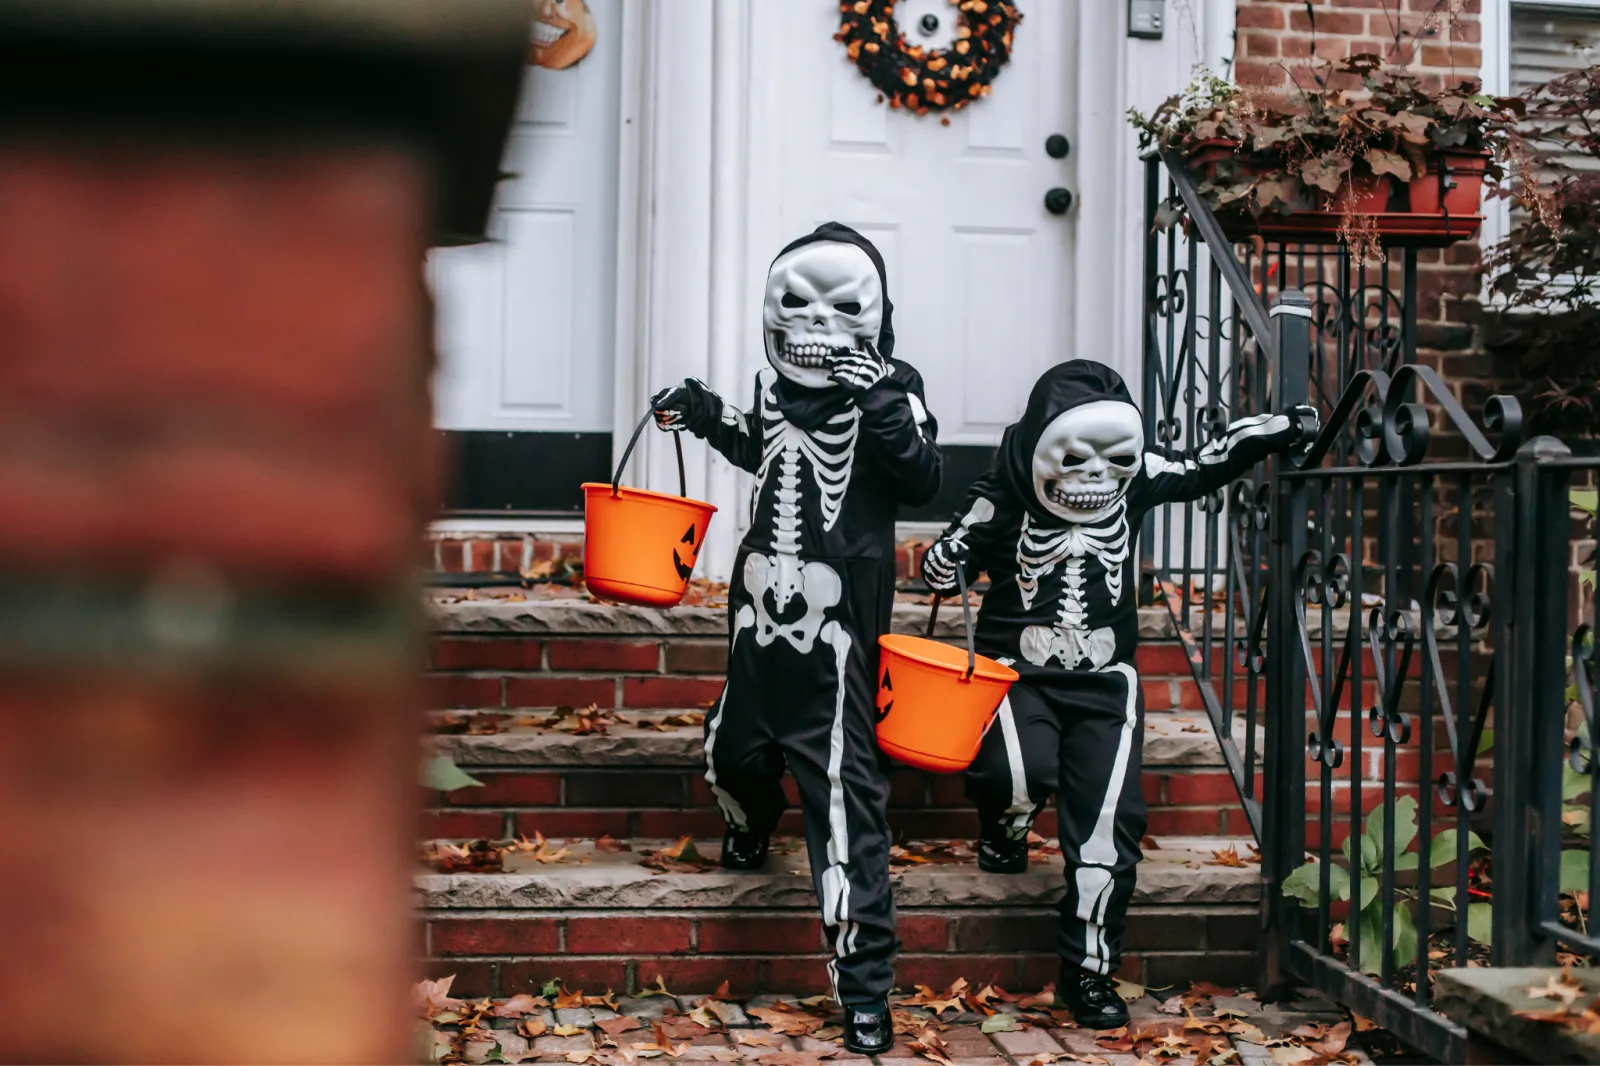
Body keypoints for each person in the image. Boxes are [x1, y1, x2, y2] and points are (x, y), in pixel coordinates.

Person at [919, 360, 1315, 1029]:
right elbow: (945, 556)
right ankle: (1006, 826)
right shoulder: (1006, 489)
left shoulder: (1137, 482)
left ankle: (1090, 971)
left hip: (1106, 680)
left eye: (1115, 462)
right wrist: (945, 558)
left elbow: (1206, 462)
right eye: (1074, 460)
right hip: (1017, 669)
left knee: (1109, 832)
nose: (1095, 477)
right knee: (1015, 774)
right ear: (1041, 445)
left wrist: (1279, 429)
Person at [651, 223, 941, 1054]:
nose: (815, 324)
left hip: (837, 633)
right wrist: (705, 414)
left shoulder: (897, 385)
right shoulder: (773, 388)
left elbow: (921, 476)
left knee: (845, 804)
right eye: (796, 303)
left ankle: (863, 989)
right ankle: (749, 820)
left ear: (877, 319)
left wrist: (880, 395)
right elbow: (765, 450)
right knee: (729, 753)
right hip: (754, 614)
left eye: (842, 308)